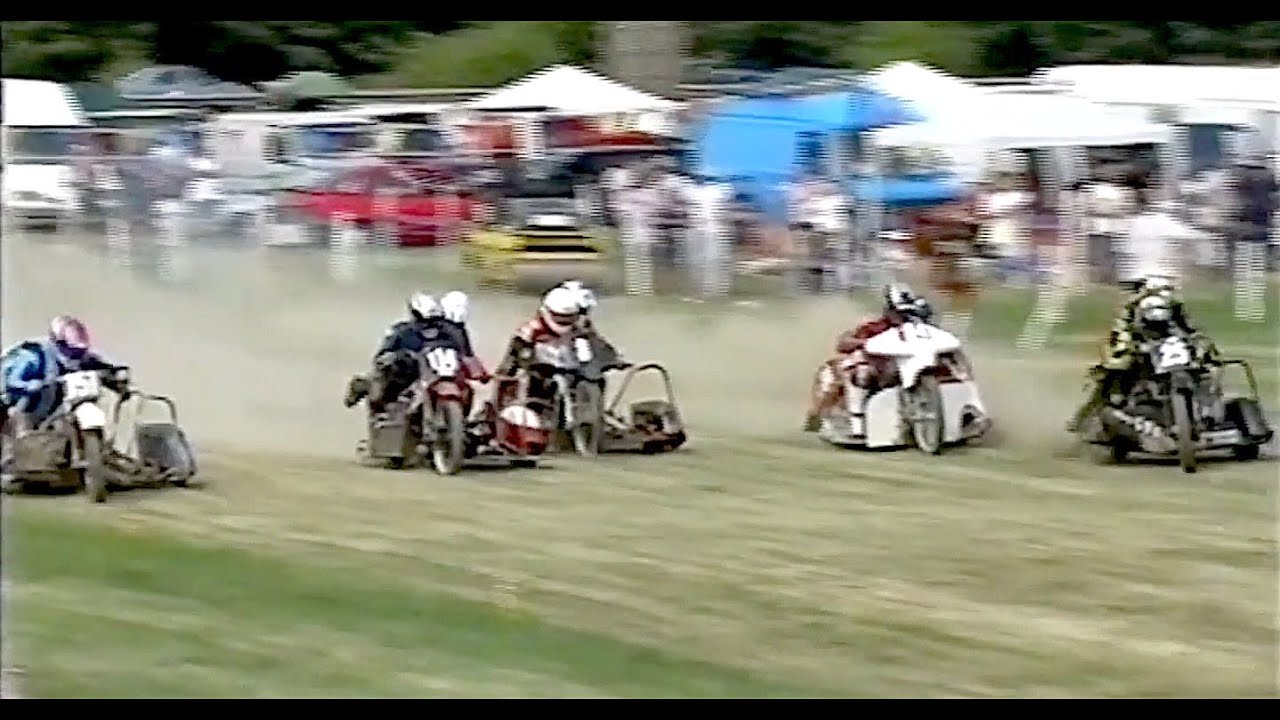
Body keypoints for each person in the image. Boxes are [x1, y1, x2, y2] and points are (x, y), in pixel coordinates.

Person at [1066, 275, 1219, 432]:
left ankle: (1206, 412)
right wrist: (1124, 347)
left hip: (1171, 352)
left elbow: (1193, 330)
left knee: (1206, 371)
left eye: (1165, 292)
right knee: (1113, 374)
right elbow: (1119, 331)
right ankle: (1084, 419)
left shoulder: (1176, 307)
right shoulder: (1131, 308)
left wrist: (1201, 345)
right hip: (1139, 348)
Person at [803, 284, 933, 434]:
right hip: (875, 373)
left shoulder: (923, 332)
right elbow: (843, 343)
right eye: (900, 314)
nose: (905, 319)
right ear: (890, 311)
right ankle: (828, 418)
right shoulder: (875, 327)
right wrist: (865, 343)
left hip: (906, 372)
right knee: (855, 373)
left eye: (909, 314)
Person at [343, 292, 470, 412]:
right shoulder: (402, 331)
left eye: (434, 320)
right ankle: (363, 385)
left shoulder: (451, 332)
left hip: (443, 375)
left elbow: (466, 354)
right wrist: (395, 358)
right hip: (410, 376)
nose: (429, 326)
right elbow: (383, 354)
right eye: (424, 321)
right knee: (385, 386)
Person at [2, 316, 125, 436]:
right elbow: (12, 381)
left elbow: (102, 366)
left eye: (79, 351)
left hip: (55, 409)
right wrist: (30, 385)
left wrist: (117, 376)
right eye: (72, 351)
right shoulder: (34, 355)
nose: (76, 355)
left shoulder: (81, 357)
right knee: (21, 434)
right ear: (57, 343)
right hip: (21, 409)